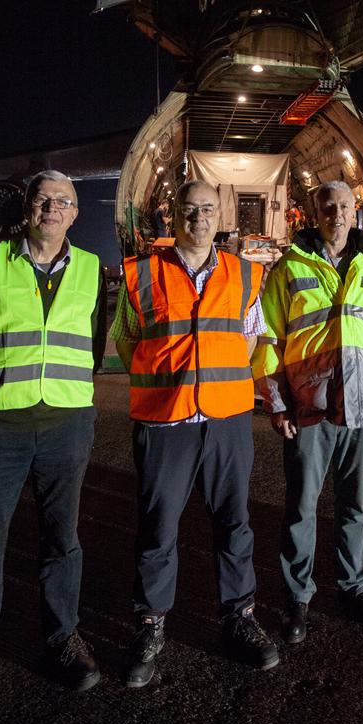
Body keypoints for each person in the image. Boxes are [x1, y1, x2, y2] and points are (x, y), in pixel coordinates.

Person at [0, 171, 107, 724]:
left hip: (66, 424)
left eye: (64, 201)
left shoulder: (88, 268)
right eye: (44, 199)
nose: (53, 208)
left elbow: (96, 341)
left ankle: (63, 640)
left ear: (76, 214)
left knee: (63, 541)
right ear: (28, 207)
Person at [113, 180, 278, 683]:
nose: (199, 217)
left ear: (220, 214)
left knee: (234, 523)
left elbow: (257, 339)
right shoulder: (141, 275)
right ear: (173, 215)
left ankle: (239, 617)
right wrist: (168, 386)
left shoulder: (245, 275)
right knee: (158, 527)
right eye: (189, 209)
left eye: (207, 209)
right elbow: (125, 339)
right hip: (166, 422)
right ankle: (150, 622)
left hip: (227, 420)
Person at [253, 181, 363, 643]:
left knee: (354, 506)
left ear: (355, 211)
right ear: (312, 214)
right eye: (327, 207)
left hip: (360, 407)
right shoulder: (288, 269)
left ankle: (353, 588)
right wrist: (276, 402)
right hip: (309, 408)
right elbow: (267, 340)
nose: (336, 213)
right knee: (302, 507)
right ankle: (298, 598)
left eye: (343, 206)